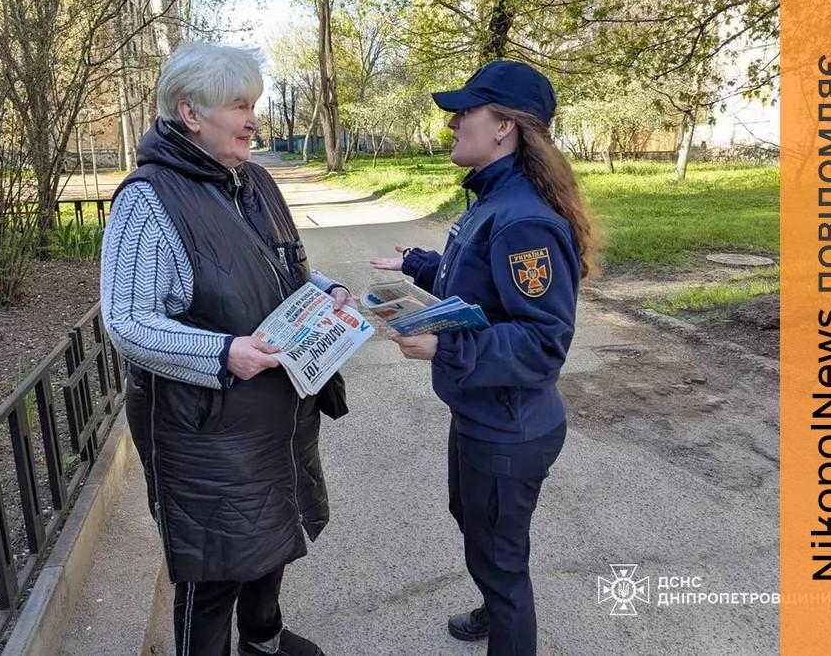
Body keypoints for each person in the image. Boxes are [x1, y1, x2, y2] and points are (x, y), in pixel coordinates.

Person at [100, 42, 353, 656]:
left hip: (277, 409)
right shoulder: (147, 199)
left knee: (274, 531)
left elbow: (282, 270)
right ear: (190, 113)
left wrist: (325, 291)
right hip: (206, 430)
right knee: (214, 566)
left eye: (253, 106)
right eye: (241, 106)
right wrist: (223, 354)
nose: (253, 121)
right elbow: (127, 322)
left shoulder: (254, 179)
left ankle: (262, 638)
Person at [370, 60, 598, 655]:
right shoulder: (496, 196)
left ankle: (506, 620)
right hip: (482, 413)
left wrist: (447, 345)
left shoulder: (522, 219)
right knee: (474, 525)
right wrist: (419, 265)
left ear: (504, 127)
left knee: (499, 557)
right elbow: (481, 284)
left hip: (509, 427)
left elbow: (544, 342)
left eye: (465, 111)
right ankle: (496, 607)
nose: (452, 124)